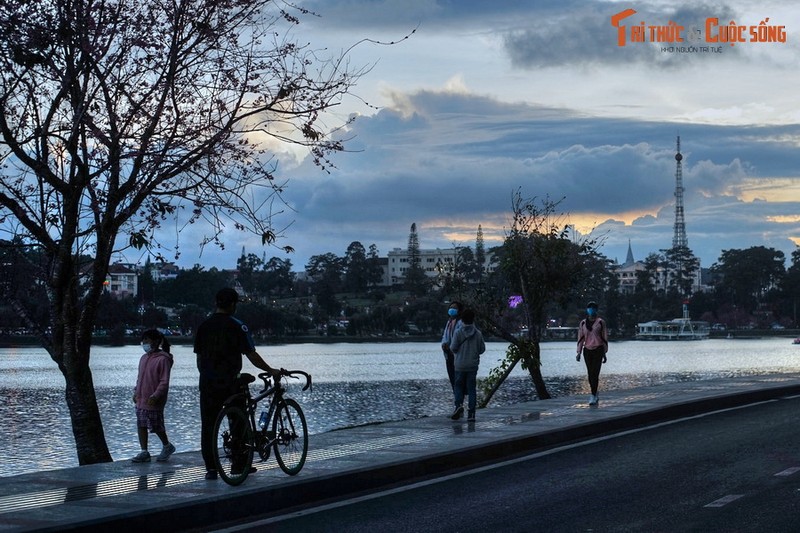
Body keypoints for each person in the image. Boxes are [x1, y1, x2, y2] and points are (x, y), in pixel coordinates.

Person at [194, 287, 282, 480]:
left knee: (208, 425)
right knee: (238, 422)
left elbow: (199, 359)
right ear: (233, 304)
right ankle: (239, 464)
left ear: (216, 303)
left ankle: (211, 468)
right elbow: (252, 355)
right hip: (231, 383)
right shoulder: (237, 325)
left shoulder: (204, 326)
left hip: (207, 383)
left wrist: (208, 375)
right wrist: (271, 370)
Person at [131, 329, 176, 463]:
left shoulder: (163, 359)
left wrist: (156, 395)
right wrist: (136, 392)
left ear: (156, 342)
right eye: (143, 340)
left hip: (154, 399)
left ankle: (167, 446)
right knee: (141, 424)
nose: (144, 343)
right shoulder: (143, 358)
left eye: (147, 340)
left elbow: (164, 381)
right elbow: (140, 378)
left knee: (156, 426)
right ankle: (144, 451)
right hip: (141, 398)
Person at [449, 308, 485, 422]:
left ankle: (458, 405)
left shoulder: (458, 332)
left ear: (462, 320)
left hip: (459, 365)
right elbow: (482, 349)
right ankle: (472, 414)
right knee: (471, 389)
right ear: (473, 319)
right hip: (472, 365)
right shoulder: (478, 334)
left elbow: (453, 348)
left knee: (458, 386)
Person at [576, 301, 609, 406]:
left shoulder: (600, 322)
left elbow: (604, 337)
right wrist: (578, 352)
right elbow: (580, 338)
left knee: (595, 373)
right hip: (587, 350)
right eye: (589, 308)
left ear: (596, 310)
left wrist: (604, 352)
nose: (591, 310)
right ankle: (594, 392)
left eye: (593, 308)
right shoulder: (583, 323)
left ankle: (593, 395)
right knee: (590, 374)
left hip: (598, 350)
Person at [440, 301, 464, 391]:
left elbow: (458, 338)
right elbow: (445, 336)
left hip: (456, 355)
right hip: (448, 355)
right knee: (452, 380)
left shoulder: (460, 323)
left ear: (459, 310)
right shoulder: (449, 322)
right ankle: (457, 401)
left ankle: (459, 401)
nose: (451, 310)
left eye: (454, 308)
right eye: (451, 307)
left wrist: (451, 347)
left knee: (458, 380)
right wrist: (443, 344)